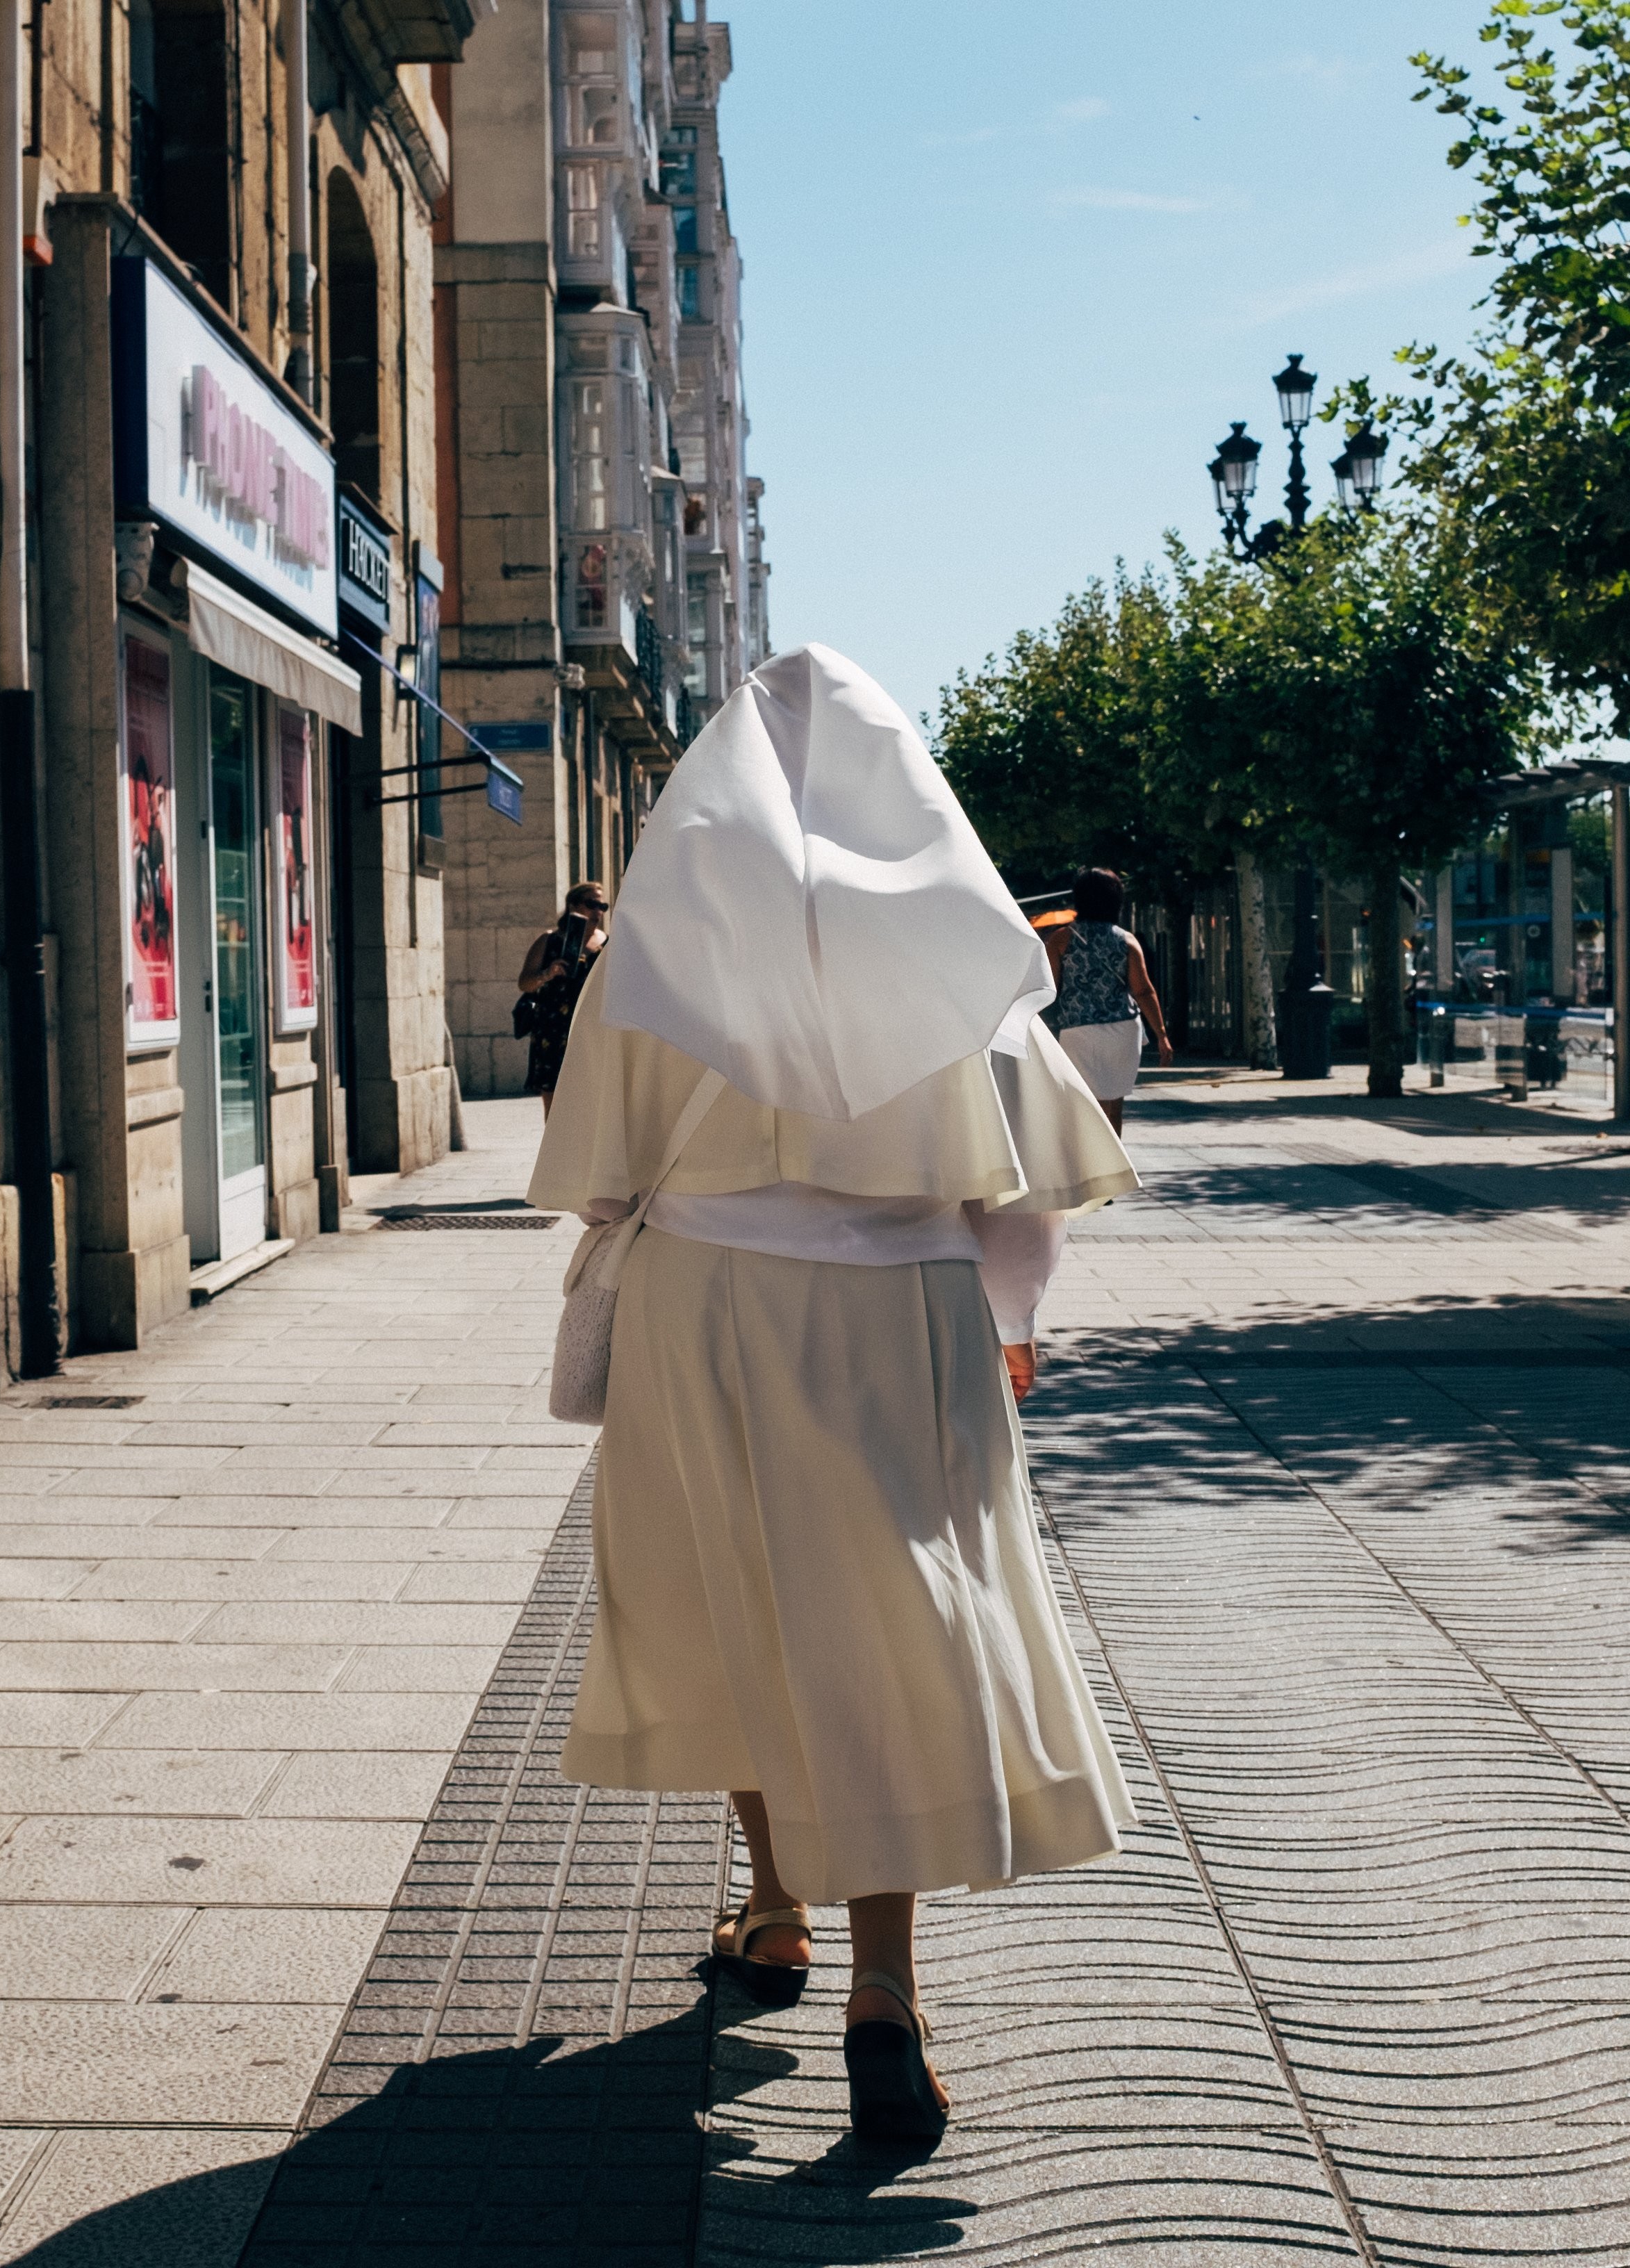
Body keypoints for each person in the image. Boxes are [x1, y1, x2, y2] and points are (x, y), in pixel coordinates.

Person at [530, 643, 1141, 2143]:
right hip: (904, 1309)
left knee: (729, 1591)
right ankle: (887, 1988)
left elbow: (596, 1173)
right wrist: (1010, 1328)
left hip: (705, 1305)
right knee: (891, 1616)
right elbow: (1027, 1192)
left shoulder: (655, 949)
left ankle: (772, 1906)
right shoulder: (959, 946)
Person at [1042, 868, 1171, 1134]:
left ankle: (1092, 1166)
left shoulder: (1061, 939)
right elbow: (1144, 991)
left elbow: (1049, 988)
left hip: (1078, 1031)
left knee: (1084, 1106)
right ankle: (1116, 1168)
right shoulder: (1126, 940)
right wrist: (1161, 1035)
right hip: (1123, 1030)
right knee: (1114, 1107)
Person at [516, 882, 612, 1112]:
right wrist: (547, 974)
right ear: (573, 906)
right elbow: (524, 983)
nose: (597, 911)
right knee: (555, 1100)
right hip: (553, 1029)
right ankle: (555, 1149)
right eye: (591, 904)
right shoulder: (549, 941)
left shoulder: (607, 944)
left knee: (593, 1101)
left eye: (602, 906)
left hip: (593, 1030)